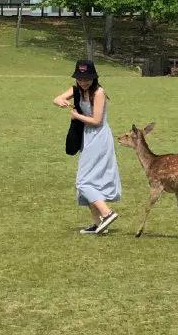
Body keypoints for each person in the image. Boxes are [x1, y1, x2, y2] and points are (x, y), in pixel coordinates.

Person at [53, 59, 122, 234]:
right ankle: (98, 223)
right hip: (87, 137)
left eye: (87, 79)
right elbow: (57, 98)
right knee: (91, 181)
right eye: (80, 79)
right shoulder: (76, 89)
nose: (84, 82)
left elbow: (97, 121)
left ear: (94, 78)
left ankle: (107, 214)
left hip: (99, 138)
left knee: (82, 181)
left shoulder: (99, 92)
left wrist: (76, 116)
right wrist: (60, 100)